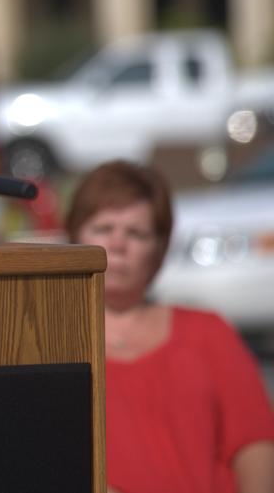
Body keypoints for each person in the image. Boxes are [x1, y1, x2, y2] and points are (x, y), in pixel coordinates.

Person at [67, 160, 274, 493]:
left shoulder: (208, 332)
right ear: (75, 235)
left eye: (136, 233)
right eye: (104, 229)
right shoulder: (53, 343)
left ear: (159, 251)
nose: (118, 244)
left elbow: (255, 442)